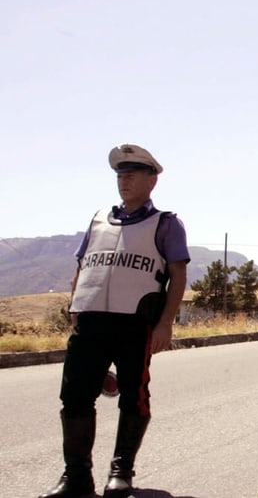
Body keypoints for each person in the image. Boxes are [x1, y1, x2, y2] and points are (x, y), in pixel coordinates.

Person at [39, 144, 189, 498]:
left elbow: (177, 276)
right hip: (90, 323)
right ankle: (76, 477)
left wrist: (166, 323)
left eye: (133, 174)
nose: (125, 180)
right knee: (75, 397)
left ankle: (121, 472)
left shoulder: (166, 224)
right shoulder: (98, 219)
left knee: (134, 397)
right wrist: (75, 303)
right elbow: (84, 264)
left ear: (152, 180)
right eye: (121, 175)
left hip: (134, 322)